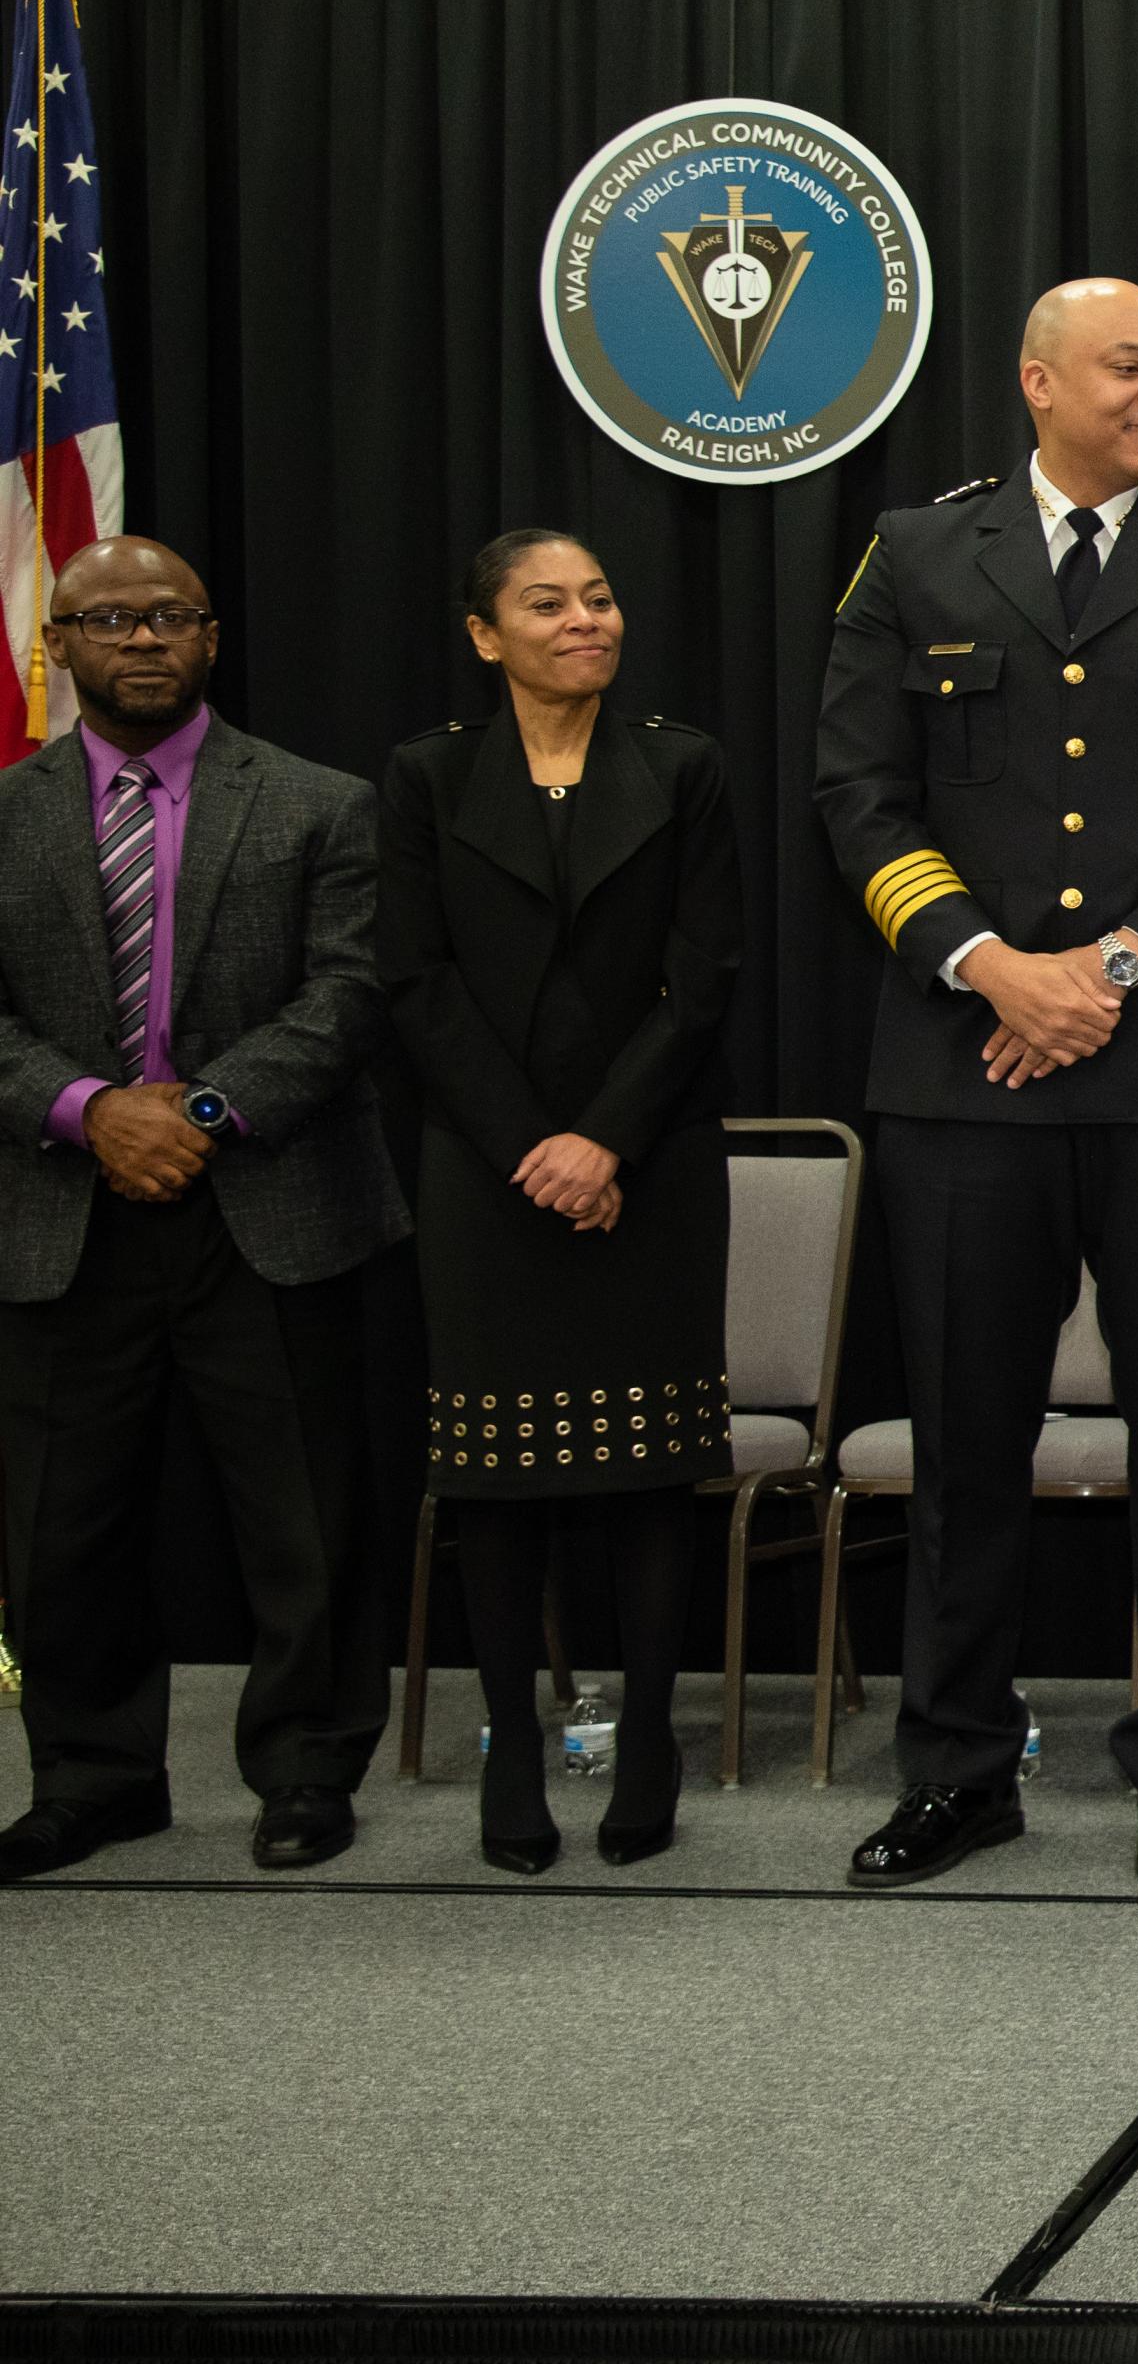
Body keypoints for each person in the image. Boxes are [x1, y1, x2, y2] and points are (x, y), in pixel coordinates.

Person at [812, 278, 1138, 1893]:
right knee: (966, 1443)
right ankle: (956, 1770)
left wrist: (1103, 973)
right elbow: (857, 792)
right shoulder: (914, 555)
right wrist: (992, 966)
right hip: (964, 1073)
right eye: (1129, 368)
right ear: (1039, 382)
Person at [0, 535, 409, 1878]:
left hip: (271, 1202)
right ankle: (94, 1779)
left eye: (169, 615)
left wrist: (204, 1112)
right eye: (109, 619)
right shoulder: (4, 812)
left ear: (211, 638)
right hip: (63, 1210)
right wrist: (90, 1110)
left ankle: (305, 1771)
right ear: (60, 644)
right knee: (63, 1524)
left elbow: (351, 994)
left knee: (303, 1516)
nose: (142, 638)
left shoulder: (318, 803)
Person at [379, 532, 742, 1872]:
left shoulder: (683, 765)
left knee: (650, 1469)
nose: (585, 619)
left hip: (649, 1165)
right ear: (487, 636)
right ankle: (514, 1755)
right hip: (488, 1169)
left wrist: (604, 1140)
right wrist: (535, 1144)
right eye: (548, 603)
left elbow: (707, 976)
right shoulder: (427, 775)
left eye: (599, 597)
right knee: (499, 1479)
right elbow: (413, 981)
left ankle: (648, 1742)